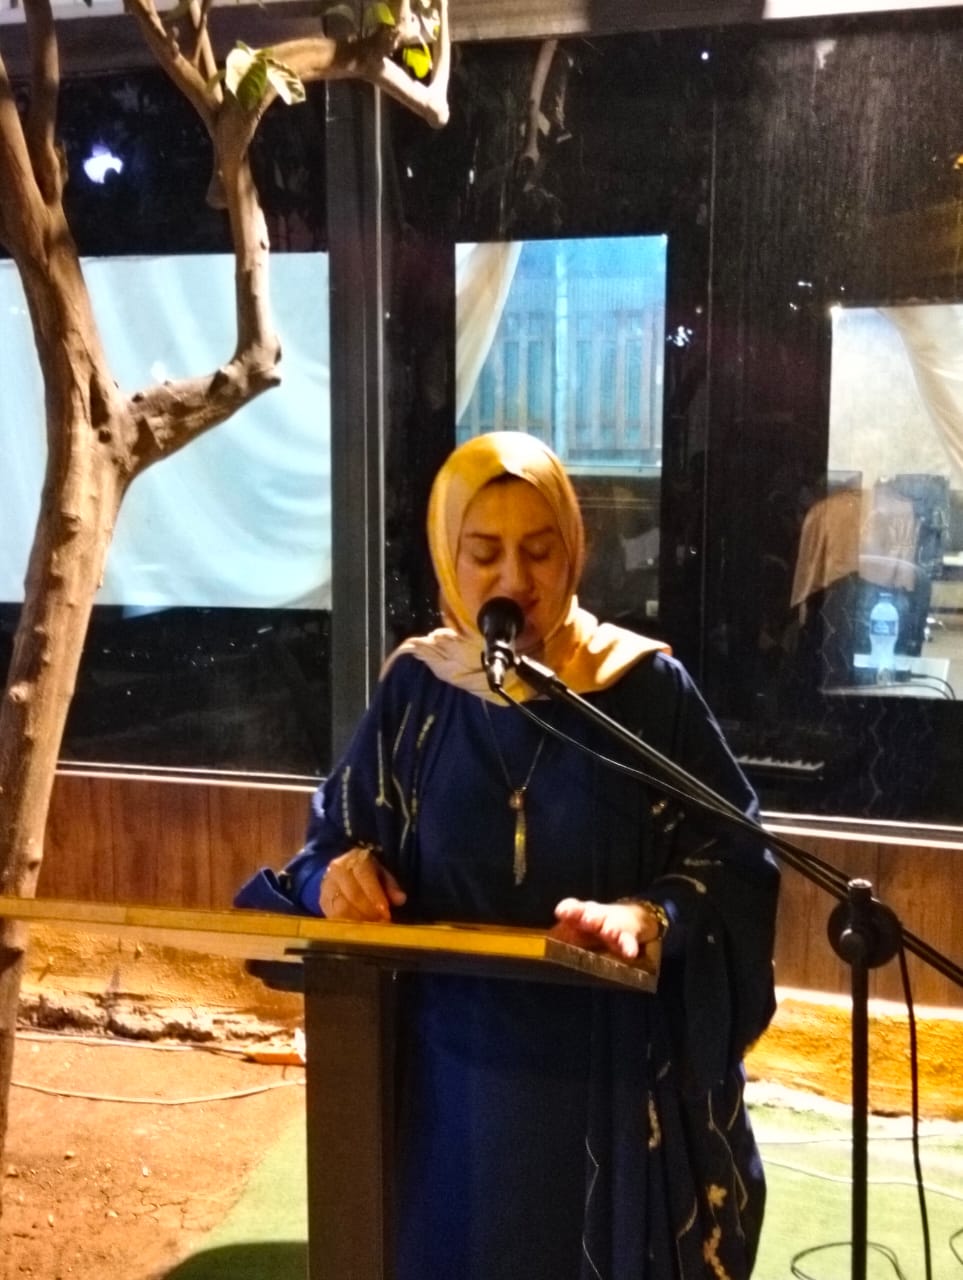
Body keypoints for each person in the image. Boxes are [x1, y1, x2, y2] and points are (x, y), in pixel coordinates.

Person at [263, 431, 779, 1279]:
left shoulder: (641, 690)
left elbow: (734, 856)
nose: (513, 580)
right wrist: (337, 881)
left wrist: (651, 917)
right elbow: (327, 848)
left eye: (539, 552)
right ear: (447, 557)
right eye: (484, 553)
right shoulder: (417, 692)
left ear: (574, 550)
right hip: (446, 1086)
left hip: (608, 1075)